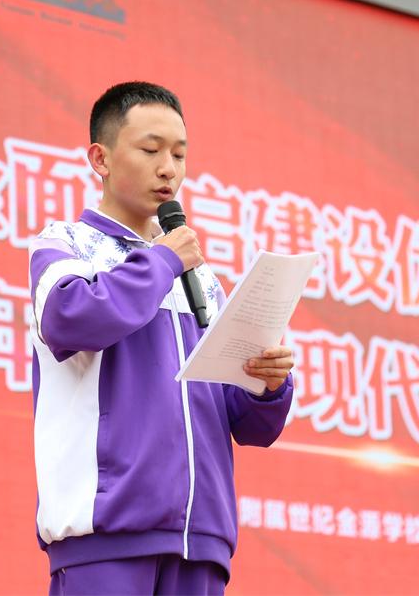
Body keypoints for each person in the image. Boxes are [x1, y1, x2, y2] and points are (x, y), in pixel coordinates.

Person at [28, 81, 295, 595]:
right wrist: (163, 261)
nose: (168, 168)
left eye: (179, 154)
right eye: (151, 150)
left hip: (201, 543)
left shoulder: (202, 280)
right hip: (106, 536)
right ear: (101, 159)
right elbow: (69, 318)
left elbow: (248, 424)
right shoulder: (65, 244)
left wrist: (268, 384)